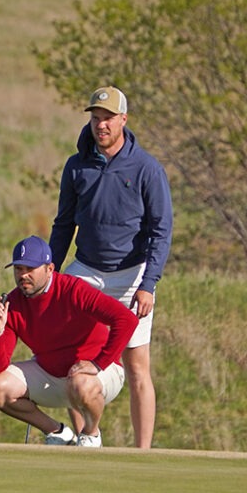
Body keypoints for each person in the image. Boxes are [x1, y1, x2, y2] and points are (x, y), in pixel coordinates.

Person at [49, 86, 173, 449]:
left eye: (107, 119)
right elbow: (63, 225)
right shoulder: (77, 166)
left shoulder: (148, 169)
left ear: (123, 120)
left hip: (131, 276)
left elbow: (160, 231)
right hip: (85, 269)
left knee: (137, 368)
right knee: (72, 358)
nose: (100, 125)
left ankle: (143, 453)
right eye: (95, 118)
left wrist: (149, 284)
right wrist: (53, 276)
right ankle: (88, 436)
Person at [0, 235, 138, 447]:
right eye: (18, 269)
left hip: (99, 375)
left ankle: (91, 434)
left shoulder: (73, 289)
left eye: (31, 268)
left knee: (81, 383)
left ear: (49, 269)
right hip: (54, 376)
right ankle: (58, 432)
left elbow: (126, 319)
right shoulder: (12, 303)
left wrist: (99, 363)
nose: (23, 275)